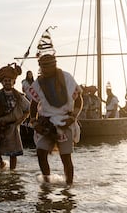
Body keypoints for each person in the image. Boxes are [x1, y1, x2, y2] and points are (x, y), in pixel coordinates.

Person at [27, 54, 83, 185]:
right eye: (43, 66)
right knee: (41, 153)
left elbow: (79, 99)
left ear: (55, 65)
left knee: (66, 157)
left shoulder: (67, 78)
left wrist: (73, 117)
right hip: (46, 122)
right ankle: (46, 182)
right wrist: (34, 121)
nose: (46, 69)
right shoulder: (38, 83)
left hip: (65, 122)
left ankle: (69, 186)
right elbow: (34, 103)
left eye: (49, 66)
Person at [0, 63, 30, 170]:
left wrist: (19, 121)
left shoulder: (20, 96)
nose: (7, 82)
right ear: (2, 82)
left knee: (13, 152)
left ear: (13, 82)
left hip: (13, 126)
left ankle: (13, 172)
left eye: (9, 80)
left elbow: (28, 110)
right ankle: (2, 163)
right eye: (5, 80)